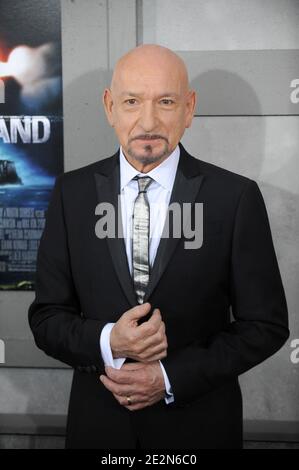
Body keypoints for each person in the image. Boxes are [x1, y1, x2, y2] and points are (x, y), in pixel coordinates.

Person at [28, 44, 289, 449]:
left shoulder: (234, 198)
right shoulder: (71, 194)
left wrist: (169, 378)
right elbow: (46, 318)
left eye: (165, 101)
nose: (147, 121)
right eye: (132, 102)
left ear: (189, 109)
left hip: (199, 433)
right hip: (99, 432)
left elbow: (265, 326)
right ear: (109, 106)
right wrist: (109, 341)